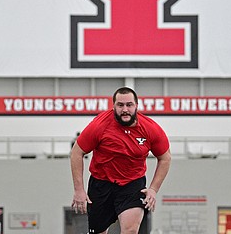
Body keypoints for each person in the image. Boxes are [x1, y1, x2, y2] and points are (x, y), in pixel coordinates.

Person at [71, 87, 171, 234]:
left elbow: (165, 158)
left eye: (129, 105)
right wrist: (79, 190)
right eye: (120, 105)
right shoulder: (100, 125)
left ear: (136, 105)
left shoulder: (150, 129)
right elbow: (76, 152)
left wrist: (153, 190)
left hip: (132, 184)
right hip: (101, 184)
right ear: (114, 106)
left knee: (130, 230)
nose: (125, 109)